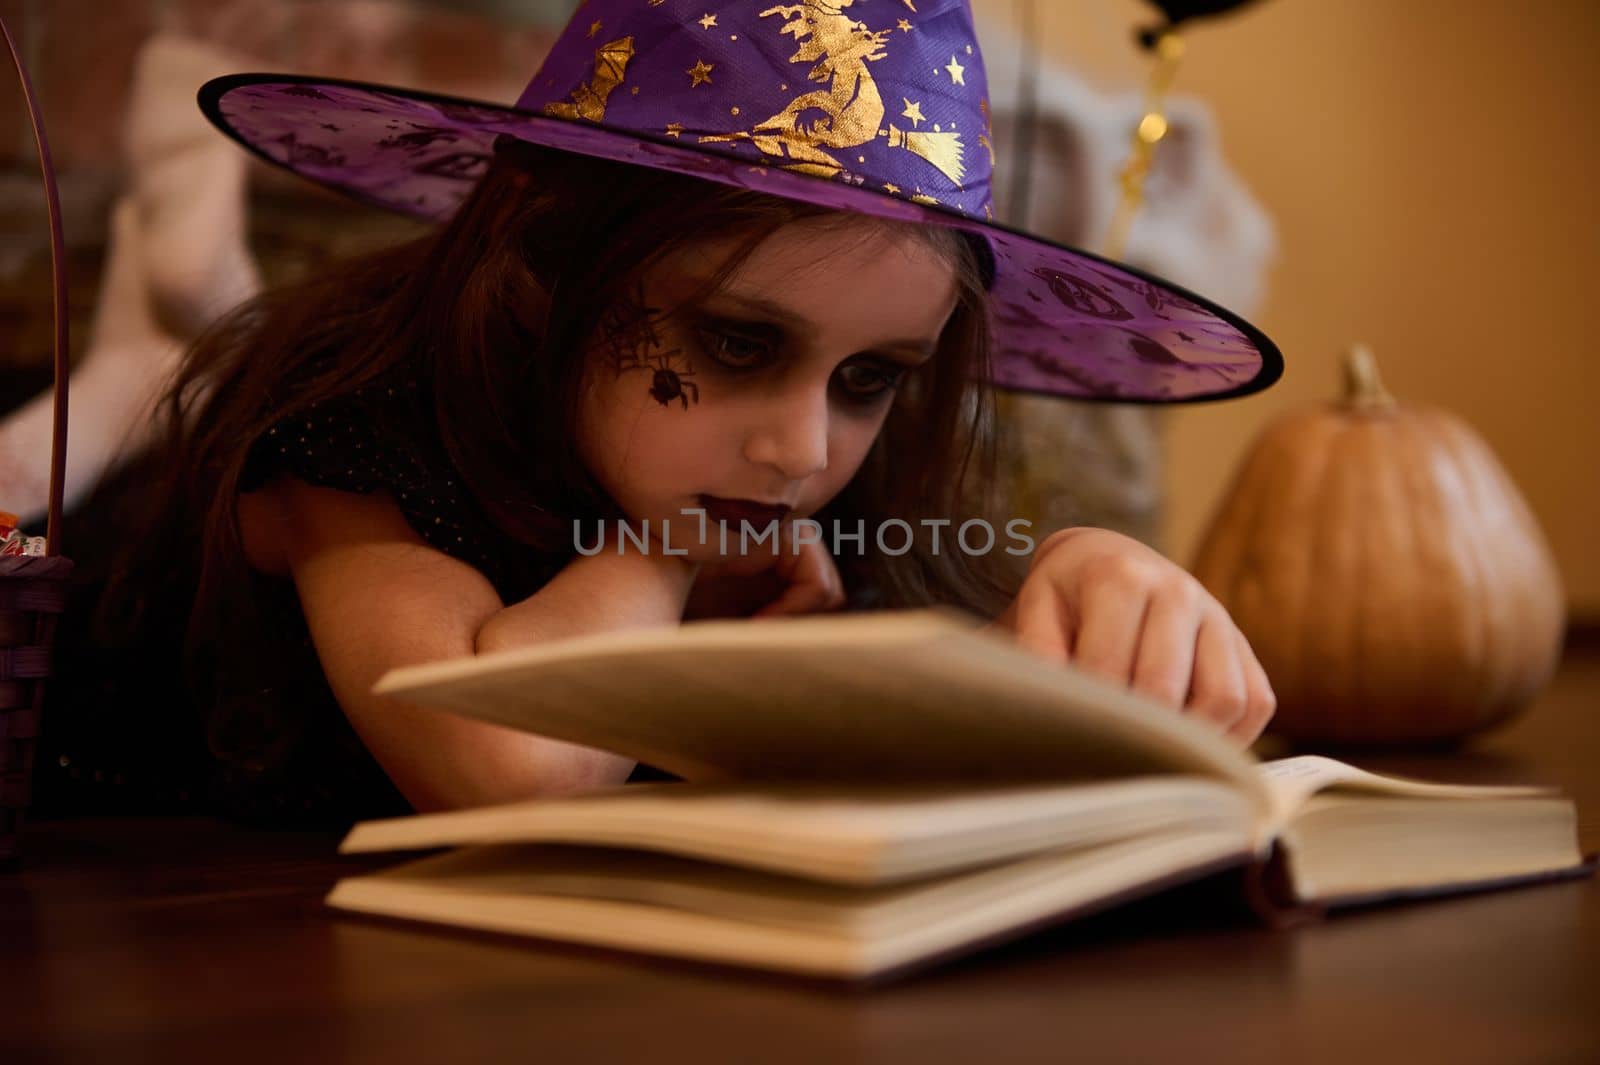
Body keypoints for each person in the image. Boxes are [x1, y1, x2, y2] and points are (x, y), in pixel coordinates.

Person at [35, 0, 1283, 827]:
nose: (799, 449)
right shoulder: (349, 426)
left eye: (869, 380)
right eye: (735, 344)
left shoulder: (780, 503)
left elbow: (923, 740)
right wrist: (666, 556)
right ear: (543, 267)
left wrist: (1091, 587)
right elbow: (512, 768)